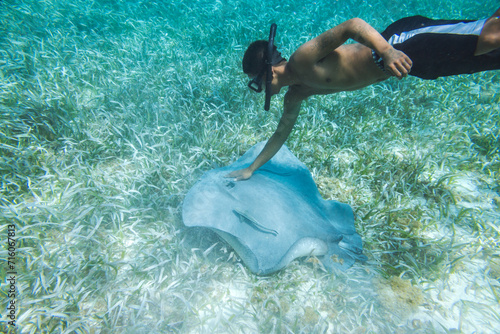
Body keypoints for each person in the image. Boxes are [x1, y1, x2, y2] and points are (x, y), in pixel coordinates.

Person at [227, 8, 500, 181]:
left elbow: (353, 25)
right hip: (408, 65)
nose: (258, 89)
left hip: (401, 43)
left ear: (268, 72)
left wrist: (387, 50)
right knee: (487, 56)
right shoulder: (296, 94)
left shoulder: (302, 59)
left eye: (256, 82)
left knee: (488, 36)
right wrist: (252, 168)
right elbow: (280, 133)